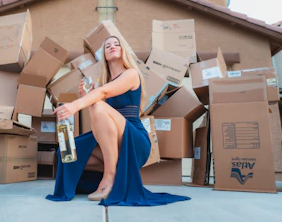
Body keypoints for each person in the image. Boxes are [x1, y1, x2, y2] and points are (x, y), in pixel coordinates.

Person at [46, 36, 190, 206]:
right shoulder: (105, 83)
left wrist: (76, 105)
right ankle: (109, 175)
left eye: (117, 44)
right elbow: (103, 106)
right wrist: (88, 96)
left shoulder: (131, 74)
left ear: (123, 51)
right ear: (104, 55)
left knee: (97, 105)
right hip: (114, 141)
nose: (112, 46)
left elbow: (104, 94)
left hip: (134, 140)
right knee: (68, 155)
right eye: (108, 46)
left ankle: (110, 176)